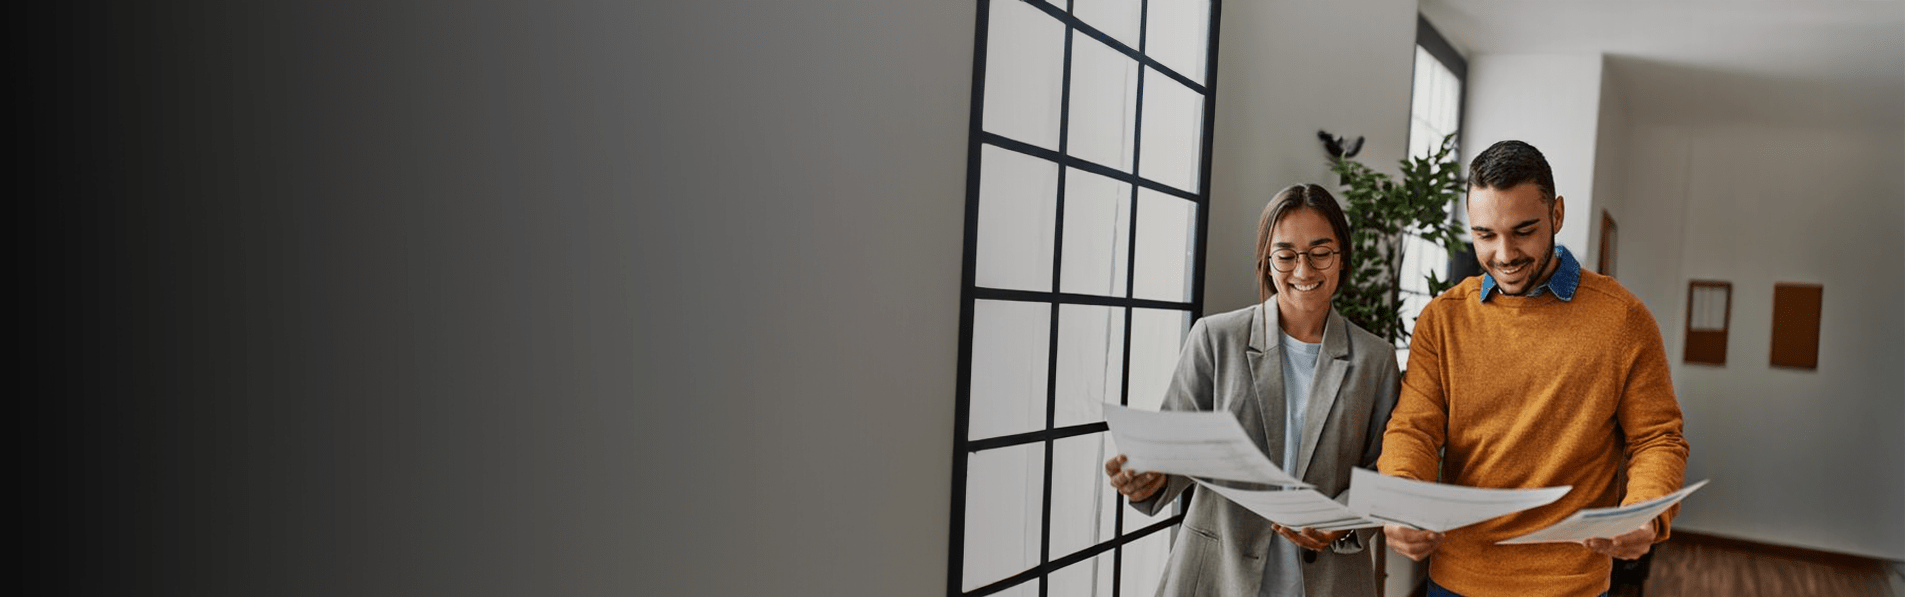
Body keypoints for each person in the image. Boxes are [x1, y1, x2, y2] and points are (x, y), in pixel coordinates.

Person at [1376, 140, 1689, 597]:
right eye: (1485, 234)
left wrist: (1643, 511)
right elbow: (1414, 429)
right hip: (1457, 578)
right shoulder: (1443, 319)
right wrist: (1401, 499)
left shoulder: (1623, 319)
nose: (1504, 254)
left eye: (1523, 231)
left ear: (1556, 215)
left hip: (1571, 584)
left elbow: (1657, 437)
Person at [1104, 184, 1401, 597]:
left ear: (1342, 256)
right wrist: (1146, 478)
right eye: (1286, 255)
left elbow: (1384, 470)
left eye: (1320, 252)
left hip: (1330, 580)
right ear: (1267, 261)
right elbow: (1172, 455)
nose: (1303, 270)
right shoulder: (1216, 338)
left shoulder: (1376, 359)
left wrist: (1341, 520)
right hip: (1217, 573)